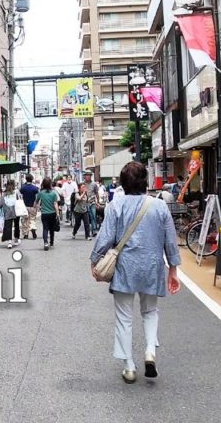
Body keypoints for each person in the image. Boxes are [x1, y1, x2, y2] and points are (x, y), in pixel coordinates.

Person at [91, 162, 181, 384]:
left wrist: (95, 260)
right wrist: (173, 269)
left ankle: (129, 366)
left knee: (124, 317)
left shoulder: (115, 206)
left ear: (123, 183)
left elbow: (105, 237)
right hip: (152, 266)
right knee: (150, 311)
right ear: (145, 182)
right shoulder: (159, 206)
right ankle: (150, 351)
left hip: (125, 267)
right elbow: (170, 240)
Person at [37, 178, 62, 250]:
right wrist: (57, 214)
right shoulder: (53, 193)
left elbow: (36, 201)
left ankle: (45, 243)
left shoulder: (41, 193)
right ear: (50, 184)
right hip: (52, 213)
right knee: (51, 228)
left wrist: (36, 207)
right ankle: (51, 242)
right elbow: (55, 204)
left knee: (45, 228)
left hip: (44, 213)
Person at [0, 180, 23, 248]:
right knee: (16, 225)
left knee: (8, 227)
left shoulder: (4, 194)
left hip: (7, 212)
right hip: (16, 211)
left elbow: (0, 205)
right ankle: (16, 240)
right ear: (14, 185)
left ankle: (9, 242)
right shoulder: (16, 192)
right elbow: (20, 200)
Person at [20, 174, 40, 239]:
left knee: (24, 220)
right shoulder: (35, 188)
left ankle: (25, 234)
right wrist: (37, 205)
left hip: (24, 206)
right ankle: (32, 227)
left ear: (26, 179)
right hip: (33, 206)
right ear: (32, 179)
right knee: (32, 219)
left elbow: (20, 196)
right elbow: (37, 198)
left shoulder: (23, 188)